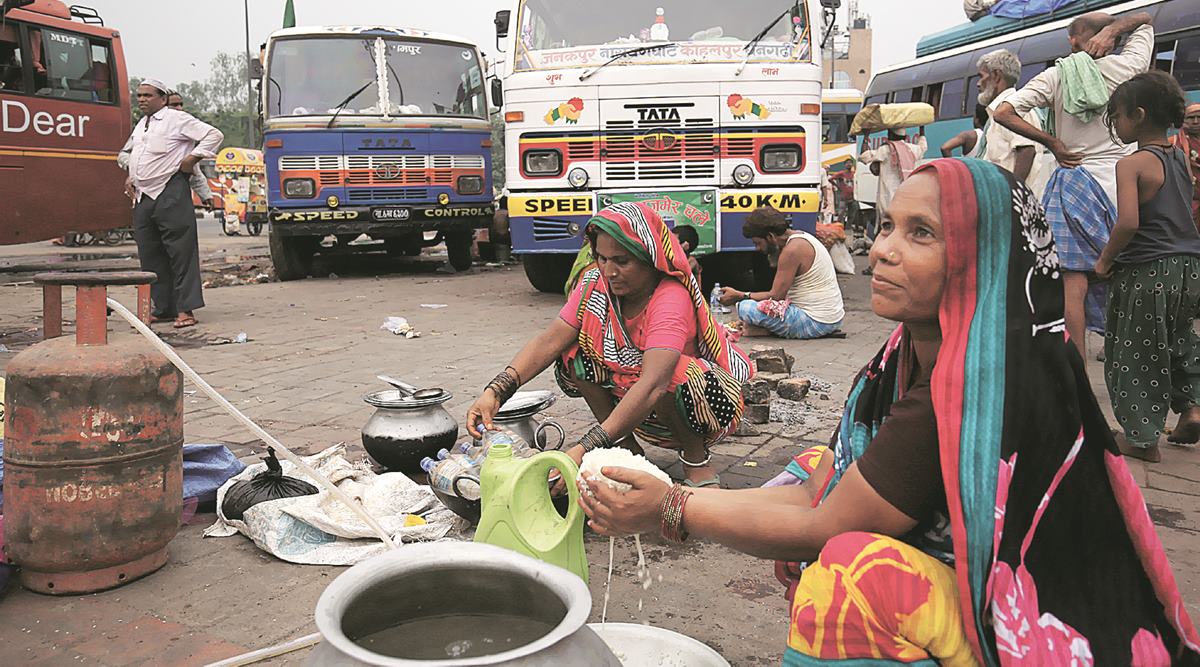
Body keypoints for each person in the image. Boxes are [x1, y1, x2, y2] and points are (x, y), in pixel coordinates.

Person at [579, 158, 1200, 665]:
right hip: (958, 573)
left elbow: (826, 525)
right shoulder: (907, 357)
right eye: (886, 227)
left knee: (849, 576)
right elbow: (820, 495)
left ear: (985, 260)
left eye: (921, 234)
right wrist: (669, 500)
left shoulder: (972, 389)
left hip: (1037, 629)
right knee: (815, 467)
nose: (882, 251)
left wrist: (671, 509)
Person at [466, 202, 753, 488]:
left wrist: (583, 449)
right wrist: (496, 391)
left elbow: (654, 384)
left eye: (622, 261)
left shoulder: (670, 298)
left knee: (676, 373)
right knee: (574, 354)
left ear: (649, 258)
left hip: (691, 406)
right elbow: (550, 340)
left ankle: (695, 458)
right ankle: (626, 447)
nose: (609, 271)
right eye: (602, 258)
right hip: (629, 395)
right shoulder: (594, 284)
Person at [994, 11, 1154, 361]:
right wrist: (1115, 28)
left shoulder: (1057, 75)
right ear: (1108, 38)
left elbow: (1003, 112)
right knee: (1127, 279)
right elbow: (1144, 20)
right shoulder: (1130, 66)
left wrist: (1052, 142)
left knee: (1073, 284)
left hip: (1074, 185)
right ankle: (1127, 363)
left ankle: (1077, 372)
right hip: (1125, 188)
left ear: (1072, 41)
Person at [1093, 72, 1200, 463]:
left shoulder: (1133, 163)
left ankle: (1141, 439)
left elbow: (1128, 223)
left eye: (1117, 116)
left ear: (1137, 115)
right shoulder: (1180, 159)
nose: (1116, 124)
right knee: (1180, 340)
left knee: (1135, 351)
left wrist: (1105, 260)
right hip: (1189, 267)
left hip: (1146, 270)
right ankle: (1192, 409)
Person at [124, 79, 223, 329]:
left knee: (181, 252)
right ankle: (164, 307)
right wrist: (131, 176)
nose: (142, 99)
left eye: (148, 95)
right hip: (143, 195)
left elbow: (214, 135)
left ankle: (185, 309)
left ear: (163, 98)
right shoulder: (141, 125)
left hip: (171, 189)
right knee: (150, 253)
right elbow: (133, 154)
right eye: (139, 95)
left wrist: (191, 159)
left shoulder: (177, 120)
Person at [717, 207, 844, 339]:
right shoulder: (800, 237)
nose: (758, 248)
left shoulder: (791, 251)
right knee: (757, 308)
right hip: (831, 319)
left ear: (770, 237)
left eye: (758, 243)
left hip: (815, 321)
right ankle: (763, 329)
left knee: (745, 308)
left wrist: (740, 295)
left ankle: (765, 330)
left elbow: (776, 296)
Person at [975, 49, 1044, 193]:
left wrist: (1012, 195)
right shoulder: (999, 110)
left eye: (981, 76)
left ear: (996, 76)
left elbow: (1026, 150)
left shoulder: (1012, 108)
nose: (978, 83)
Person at [859, 128, 928, 216]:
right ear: (906, 137)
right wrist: (921, 128)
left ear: (889, 135)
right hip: (906, 199)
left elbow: (864, 156)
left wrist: (866, 136)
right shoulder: (911, 149)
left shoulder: (886, 149)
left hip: (888, 200)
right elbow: (923, 147)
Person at [1170, 102, 1200, 228]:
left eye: (1199, 117)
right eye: (1191, 118)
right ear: (1183, 120)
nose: (1196, 121)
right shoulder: (1172, 143)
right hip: (1186, 202)